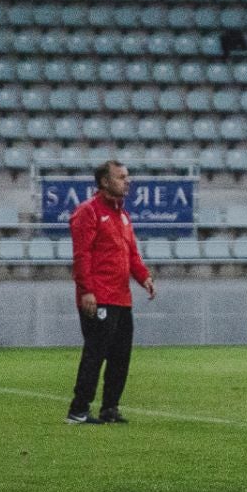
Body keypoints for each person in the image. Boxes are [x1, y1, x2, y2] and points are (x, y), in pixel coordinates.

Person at [65, 159, 157, 425]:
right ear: (105, 182)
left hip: (121, 296)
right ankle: (78, 410)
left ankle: (110, 408)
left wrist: (144, 277)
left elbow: (131, 253)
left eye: (127, 176)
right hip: (99, 296)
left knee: (120, 356)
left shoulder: (123, 216)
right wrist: (86, 291)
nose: (127, 181)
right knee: (95, 354)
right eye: (121, 177)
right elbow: (81, 255)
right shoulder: (88, 212)